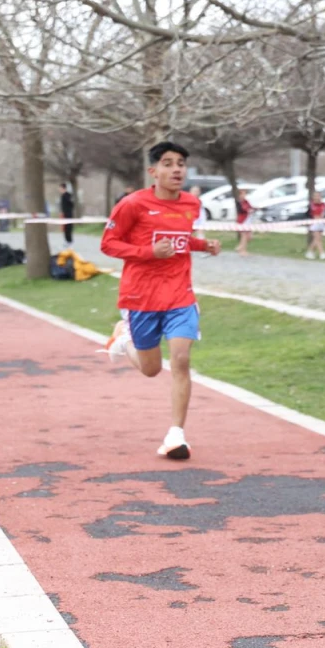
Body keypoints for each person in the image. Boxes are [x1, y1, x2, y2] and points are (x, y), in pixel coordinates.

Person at [101, 142, 222, 459]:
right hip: (141, 296)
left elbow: (180, 241)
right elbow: (108, 244)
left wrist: (203, 245)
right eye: (168, 163)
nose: (176, 169)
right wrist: (148, 252)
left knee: (181, 359)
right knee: (151, 369)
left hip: (180, 294)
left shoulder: (192, 203)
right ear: (153, 171)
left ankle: (176, 435)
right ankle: (123, 338)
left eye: (181, 163)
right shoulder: (132, 204)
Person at [305, 190, 325, 260]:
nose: (317, 197)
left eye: (318, 196)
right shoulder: (311, 205)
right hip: (314, 223)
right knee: (318, 239)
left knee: (317, 239)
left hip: (322, 223)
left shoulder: (324, 205)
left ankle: (310, 252)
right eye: (315, 196)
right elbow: (308, 214)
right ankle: (322, 253)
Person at [234, 188, 254, 256]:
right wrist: (248, 210)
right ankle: (243, 250)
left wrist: (255, 209)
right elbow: (242, 210)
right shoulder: (239, 202)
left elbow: (250, 207)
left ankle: (240, 247)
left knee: (249, 237)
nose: (244, 195)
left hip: (248, 221)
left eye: (245, 194)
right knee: (244, 236)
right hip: (242, 221)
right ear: (239, 195)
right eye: (243, 194)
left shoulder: (246, 201)